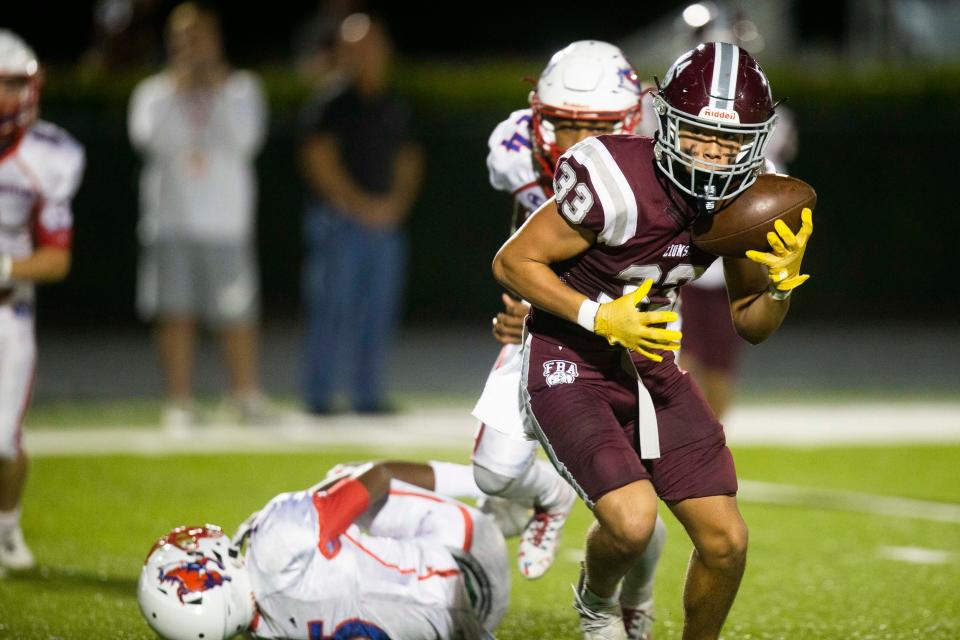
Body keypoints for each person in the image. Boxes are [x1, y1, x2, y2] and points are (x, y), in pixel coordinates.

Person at [492, 42, 814, 640]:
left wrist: (780, 283)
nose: (716, 152)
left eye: (733, 139)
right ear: (667, 122)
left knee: (726, 540)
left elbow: (751, 322)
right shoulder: (615, 177)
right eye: (700, 133)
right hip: (572, 358)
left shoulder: (744, 201)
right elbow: (515, 263)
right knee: (632, 521)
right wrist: (599, 316)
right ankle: (596, 604)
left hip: (652, 363)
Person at [475, 40, 664, 637]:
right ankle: (552, 496)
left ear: (630, 123)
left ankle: (636, 595)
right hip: (555, 325)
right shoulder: (515, 152)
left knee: (634, 504)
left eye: (597, 127)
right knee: (493, 472)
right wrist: (523, 304)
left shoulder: (662, 158)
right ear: (538, 115)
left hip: (637, 330)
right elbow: (526, 242)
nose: (578, 141)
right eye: (565, 123)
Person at [137, 460, 515, 639]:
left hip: (465, 627)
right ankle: (502, 493)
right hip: (473, 565)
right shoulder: (274, 543)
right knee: (344, 480)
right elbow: (381, 475)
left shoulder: (267, 630)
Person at [128, 3, 270, 430]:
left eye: (198, 37)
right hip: (170, 221)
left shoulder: (242, 89)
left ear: (215, 40)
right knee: (174, 313)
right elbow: (149, 141)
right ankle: (179, 402)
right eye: (181, 39)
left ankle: (243, 396)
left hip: (227, 221)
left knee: (238, 314)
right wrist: (181, 89)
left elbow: (244, 141)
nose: (190, 47)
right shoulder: (154, 93)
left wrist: (214, 88)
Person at [299, 13, 423, 415]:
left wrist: (396, 205)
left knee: (378, 310)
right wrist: (362, 205)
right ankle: (319, 396)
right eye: (352, 46)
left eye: (369, 44)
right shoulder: (330, 102)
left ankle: (367, 396)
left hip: (386, 223)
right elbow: (319, 161)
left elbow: (409, 157)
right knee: (331, 309)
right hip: (339, 222)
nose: (363, 54)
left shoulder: (394, 103)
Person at [0, 30, 85, 572]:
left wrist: (4, 267)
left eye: (18, 83)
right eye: (4, 84)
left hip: (7, 306)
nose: (16, 96)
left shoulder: (48, 154)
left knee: (3, 441)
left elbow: (56, 259)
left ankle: (5, 527)